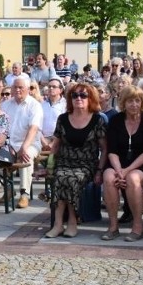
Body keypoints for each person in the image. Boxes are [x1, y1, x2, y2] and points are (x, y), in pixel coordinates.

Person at [43, 82, 107, 238]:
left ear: (90, 98)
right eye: (75, 95)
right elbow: (56, 145)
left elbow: (104, 148)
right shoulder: (63, 118)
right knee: (59, 178)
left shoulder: (97, 120)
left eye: (83, 95)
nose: (79, 98)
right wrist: (49, 166)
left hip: (86, 164)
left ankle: (72, 222)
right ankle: (58, 225)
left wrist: (99, 170)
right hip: (64, 161)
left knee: (72, 179)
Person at [101, 86, 143, 241]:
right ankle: (113, 226)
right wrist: (119, 170)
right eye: (130, 101)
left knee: (133, 178)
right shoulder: (115, 120)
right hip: (118, 161)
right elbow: (112, 150)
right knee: (108, 176)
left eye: (137, 100)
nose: (134, 104)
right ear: (123, 103)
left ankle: (137, 228)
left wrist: (126, 172)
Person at [0, 77, 43, 208]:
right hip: (9, 143)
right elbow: (1, 126)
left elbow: (34, 128)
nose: (17, 90)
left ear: (28, 89)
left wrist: (24, 147)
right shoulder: (5, 104)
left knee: (26, 155)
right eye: (15, 87)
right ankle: (8, 189)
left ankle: (24, 194)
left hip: (30, 143)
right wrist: (6, 145)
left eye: (21, 88)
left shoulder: (35, 105)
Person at [40, 77, 66, 147]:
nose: (51, 88)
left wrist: (53, 143)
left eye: (54, 87)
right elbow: (37, 125)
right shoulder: (42, 105)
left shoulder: (66, 105)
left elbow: (65, 126)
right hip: (42, 139)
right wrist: (43, 141)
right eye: (49, 86)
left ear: (60, 90)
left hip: (60, 140)